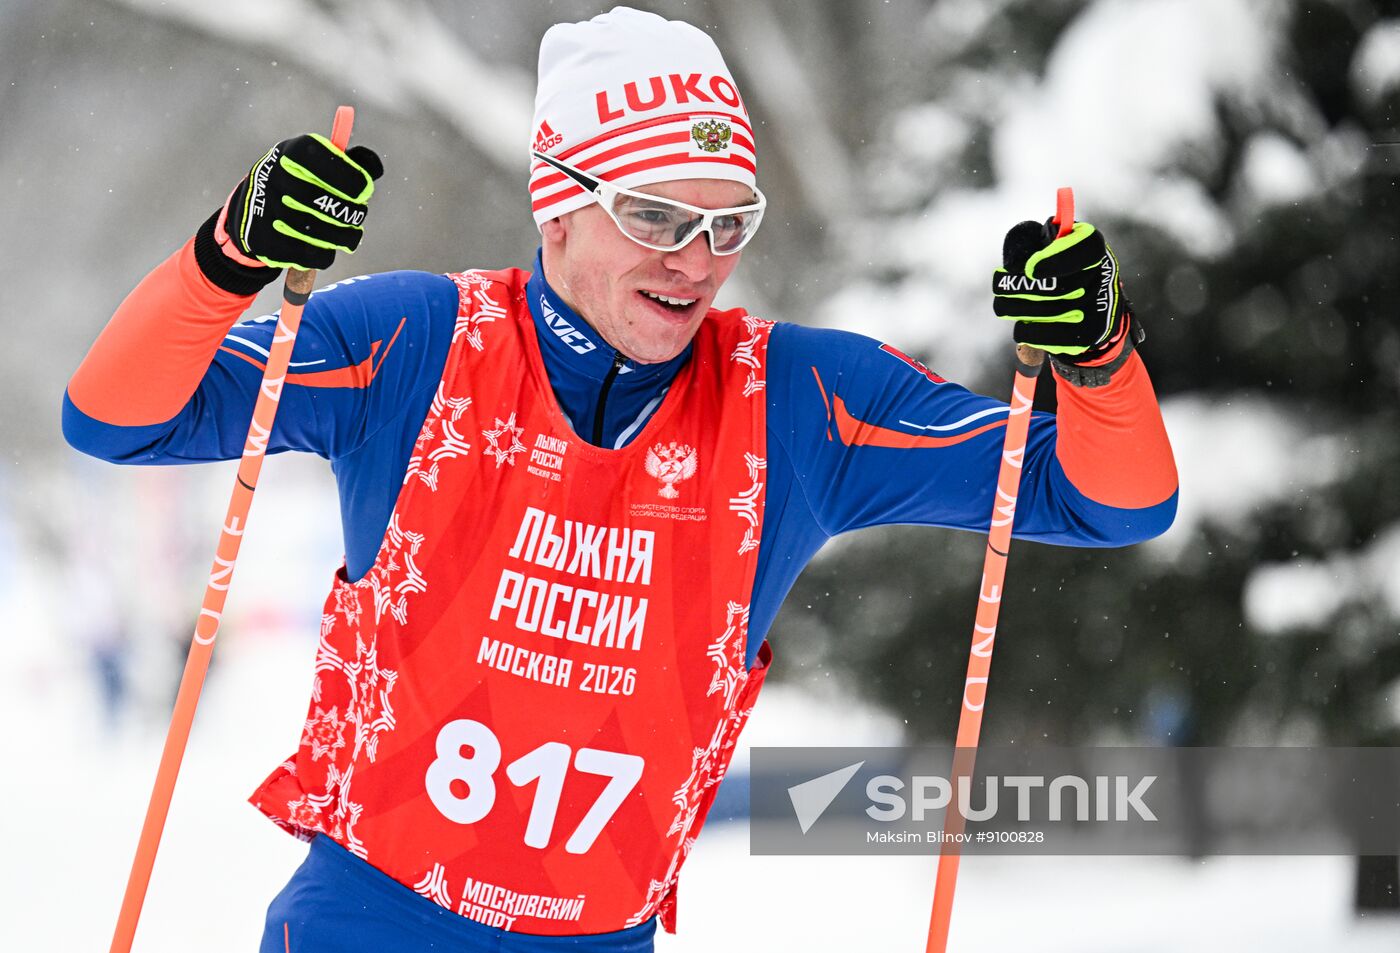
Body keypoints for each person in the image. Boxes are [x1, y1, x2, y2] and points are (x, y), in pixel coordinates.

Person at [63, 7, 1178, 952]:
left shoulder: (796, 402)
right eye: (652, 214)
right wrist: (228, 257)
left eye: (723, 222)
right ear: (556, 200)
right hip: (371, 920)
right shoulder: (419, 341)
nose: (690, 260)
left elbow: (1111, 497)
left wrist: (1095, 350)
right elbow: (116, 417)